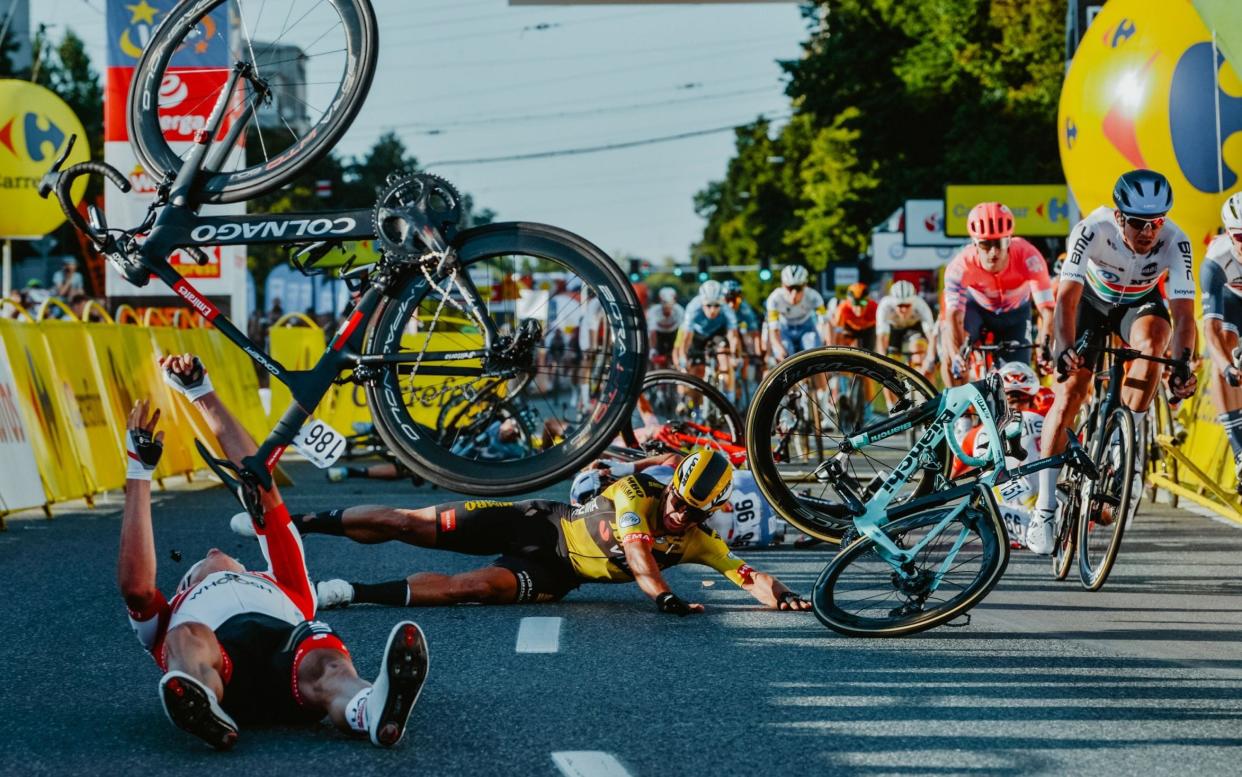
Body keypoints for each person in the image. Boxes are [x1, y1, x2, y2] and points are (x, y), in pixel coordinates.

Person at [119, 354, 429, 750]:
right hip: (220, 668)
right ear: (187, 582)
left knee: (325, 659)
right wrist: (139, 472)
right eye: (201, 563)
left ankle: (368, 708)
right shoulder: (173, 612)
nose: (213, 550)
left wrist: (201, 392)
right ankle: (203, 701)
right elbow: (136, 587)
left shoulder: (284, 583)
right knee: (185, 637)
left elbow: (259, 482)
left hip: (295, 670)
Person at [238, 449, 810, 614]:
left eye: (693, 512)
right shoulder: (638, 495)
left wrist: (780, 596)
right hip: (537, 521)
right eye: (679, 501)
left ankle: (349, 593)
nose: (680, 515)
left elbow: (746, 573)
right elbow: (640, 560)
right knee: (407, 524)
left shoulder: (699, 539)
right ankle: (298, 523)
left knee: (471, 589)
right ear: (672, 487)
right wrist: (663, 598)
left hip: (556, 572)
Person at [1031, 170, 1198, 554]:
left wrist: (1182, 365)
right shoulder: (1092, 229)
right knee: (1072, 390)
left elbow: (1185, 315)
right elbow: (1067, 299)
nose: (1148, 232)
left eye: (1156, 222)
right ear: (1120, 216)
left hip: (1137, 304)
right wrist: (1063, 348)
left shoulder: (1176, 240)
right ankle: (1044, 507)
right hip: (1090, 303)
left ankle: (1128, 442)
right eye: (1139, 222)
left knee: (1156, 343)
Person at [568, 451, 788, 548]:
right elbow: (674, 458)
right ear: (607, 477)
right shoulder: (645, 483)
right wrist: (628, 467)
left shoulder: (621, 529)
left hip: (764, 534)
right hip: (755, 489)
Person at [940, 202, 1055, 388]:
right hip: (977, 310)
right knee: (951, 350)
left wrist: (1045, 345)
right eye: (985, 244)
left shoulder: (1029, 256)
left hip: (1016, 314)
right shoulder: (960, 266)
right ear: (974, 243)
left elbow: (1047, 309)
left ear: (1010, 239)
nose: (993, 252)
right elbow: (954, 315)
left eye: (1000, 243)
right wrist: (956, 356)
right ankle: (961, 414)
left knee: (1018, 380)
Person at [949, 361, 1053, 549]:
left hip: (1003, 517)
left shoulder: (975, 434)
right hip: (1053, 514)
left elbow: (950, 476)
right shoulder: (1049, 421)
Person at [1201, 191, 1242, 492]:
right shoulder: (1216, 259)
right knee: (1223, 351)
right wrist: (1227, 366)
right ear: (1229, 234)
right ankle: (1240, 449)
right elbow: (1210, 330)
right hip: (1230, 302)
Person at [675, 280, 742, 397]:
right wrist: (683, 359)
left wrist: (734, 355)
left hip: (717, 334)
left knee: (725, 360)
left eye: (716, 305)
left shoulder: (727, 308)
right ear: (702, 303)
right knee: (693, 370)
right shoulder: (693, 307)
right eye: (708, 305)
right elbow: (686, 338)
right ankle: (690, 402)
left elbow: (733, 336)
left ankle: (729, 400)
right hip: (697, 335)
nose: (712, 310)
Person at [876, 279, 937, 376]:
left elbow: (931, 337)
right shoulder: (885, 306)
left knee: (921, 358)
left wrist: (929, 359)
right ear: (893, 302)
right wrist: (883, 362)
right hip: (895, 329)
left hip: (914, 327)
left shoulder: (921, 305)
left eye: (907, 305)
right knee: (888, 369)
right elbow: (882, 338)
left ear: (913, 302)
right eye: (900, 306)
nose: (904, 310)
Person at [768, 266, 830, 358]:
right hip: (785, 330)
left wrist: (829, 345)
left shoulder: (814, 296)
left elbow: (826, 323)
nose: (793, 294)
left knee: (813, 355)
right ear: (782, 285)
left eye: (798, 288)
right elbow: (773, 331)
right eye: (789, 288)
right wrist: (780, 349)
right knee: (783, 353)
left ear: (805, 285)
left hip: (807, 329)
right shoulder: (774, 299)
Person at [722, 279, 764, 401]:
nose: (731, 304)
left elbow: (755, 334)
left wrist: (757, 354)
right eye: (728, 300)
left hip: (740, 337)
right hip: (723, 337)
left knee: (747, 362)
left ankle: (745, 391)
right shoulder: (719, 308)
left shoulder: (745, 309)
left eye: (735, 299)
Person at [646, 286, 684, 368]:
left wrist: (680, 350)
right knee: (657, 356)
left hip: (674, 333)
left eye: (670, 304)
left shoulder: (679, 310)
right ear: (660, 301)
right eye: (665, 303)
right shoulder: (653, 311)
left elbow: (681, 332)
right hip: (659, 335)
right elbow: (652, 332)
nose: (667, 307)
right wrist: (653, 349)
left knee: (675, 356)